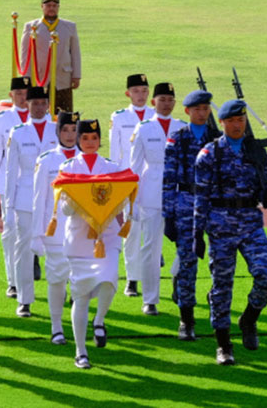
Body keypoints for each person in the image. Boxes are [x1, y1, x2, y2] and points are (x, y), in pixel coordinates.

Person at [194, 99, 267, 365]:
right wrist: (198, 233)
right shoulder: (209, 154)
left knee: (266, 275)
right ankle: (223, 343)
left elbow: (263, 189)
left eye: (240, 120)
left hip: (251, 223)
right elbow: (201, 196)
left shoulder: (254, 150)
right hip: (220, 226)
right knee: (222, 287)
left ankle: (248, 320)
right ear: (222, 123)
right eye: (231, 121)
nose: (236, 125)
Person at [57, 119, 123, 369]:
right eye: (85, 138)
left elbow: (121, 198)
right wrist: (80, 198)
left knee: (110, 281)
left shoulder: (112, 167)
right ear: (78, 141)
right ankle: (80, 351)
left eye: (94, 138)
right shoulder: (69, 166)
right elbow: (64, 206)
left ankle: (99, 320)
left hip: (107, 236)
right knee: (81, 296)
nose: (90, 142)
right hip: (79, 238)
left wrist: (107, 210)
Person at [162, 89, 220, 340]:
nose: (202, 113)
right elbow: (168, 178)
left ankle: (216, 306)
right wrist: (168, 214)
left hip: (214, 204)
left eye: (205, 109)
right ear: (187, 111)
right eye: (197, 109)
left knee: (219, 260)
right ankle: (186, 319)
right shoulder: (178, 138)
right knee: (187, 261)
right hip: (186, 202)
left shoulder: (218, 138)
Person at [128, 82, 186, 316]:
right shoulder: (143, 128)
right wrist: (132, 200)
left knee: (186, 244)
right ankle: (150, 299)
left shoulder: (183, 127)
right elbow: (134, 166)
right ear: (153, 102)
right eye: (162, 99)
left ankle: (176, 276)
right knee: (151, 247)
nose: (166, 104)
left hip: (179, 192)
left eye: (170, 100)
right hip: (151, 191)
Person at [2, 85, 56, 317]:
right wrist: (9, 205)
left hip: (53, 199)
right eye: (34, 103)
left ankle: (60, 290)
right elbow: (10, 171)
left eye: (43, 103)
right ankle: (24, 298)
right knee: (23, 249)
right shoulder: (18, 132)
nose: (39, 107)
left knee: (56, 247)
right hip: (25, 197)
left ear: (48, 105)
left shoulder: (58, 130)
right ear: (27, 105)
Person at [32, 110, 79, 344]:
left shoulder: (87, 159)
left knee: (82, 282)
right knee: (57, 279)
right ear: (57, 132)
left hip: (82, 233)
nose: (70, 135)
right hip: (55, 231)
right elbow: (39, 199)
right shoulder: (47, 159)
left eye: (74, 130)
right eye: (65, 130)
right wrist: (36, 235)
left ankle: (80, 327)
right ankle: (56, 326)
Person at [109, 73, 154, 297]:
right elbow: (115, 153)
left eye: (144, 91)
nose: (141, 95)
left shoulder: (156, 116)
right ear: (128, 93)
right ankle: (132, 278)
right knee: (131, 232)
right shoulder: (119, 118)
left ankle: (148, 275)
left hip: (152, 182)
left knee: (154, 230)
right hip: (128, 181)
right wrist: (116, 184)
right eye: (136, 91)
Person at [0, 75, 32, 299]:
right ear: (11, 95)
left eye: (26, 93)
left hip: (35, 182)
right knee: (11, 231)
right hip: (9, 180)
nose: (23, 98)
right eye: (19, 94)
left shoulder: (43, 119)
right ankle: (13, 280)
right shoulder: (3, 118)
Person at [20, 0, 81, 113]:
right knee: (38, 112)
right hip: (39, 78)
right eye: (48, 5)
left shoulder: (69, 26)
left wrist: (76, 75)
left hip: (62, 77)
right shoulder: (31, 27)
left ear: (58, 7)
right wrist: (25, 77)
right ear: (42, 6)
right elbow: (25, 53)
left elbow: (75, 52)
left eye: (54, 5)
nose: (51, 8)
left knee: (64, 113)